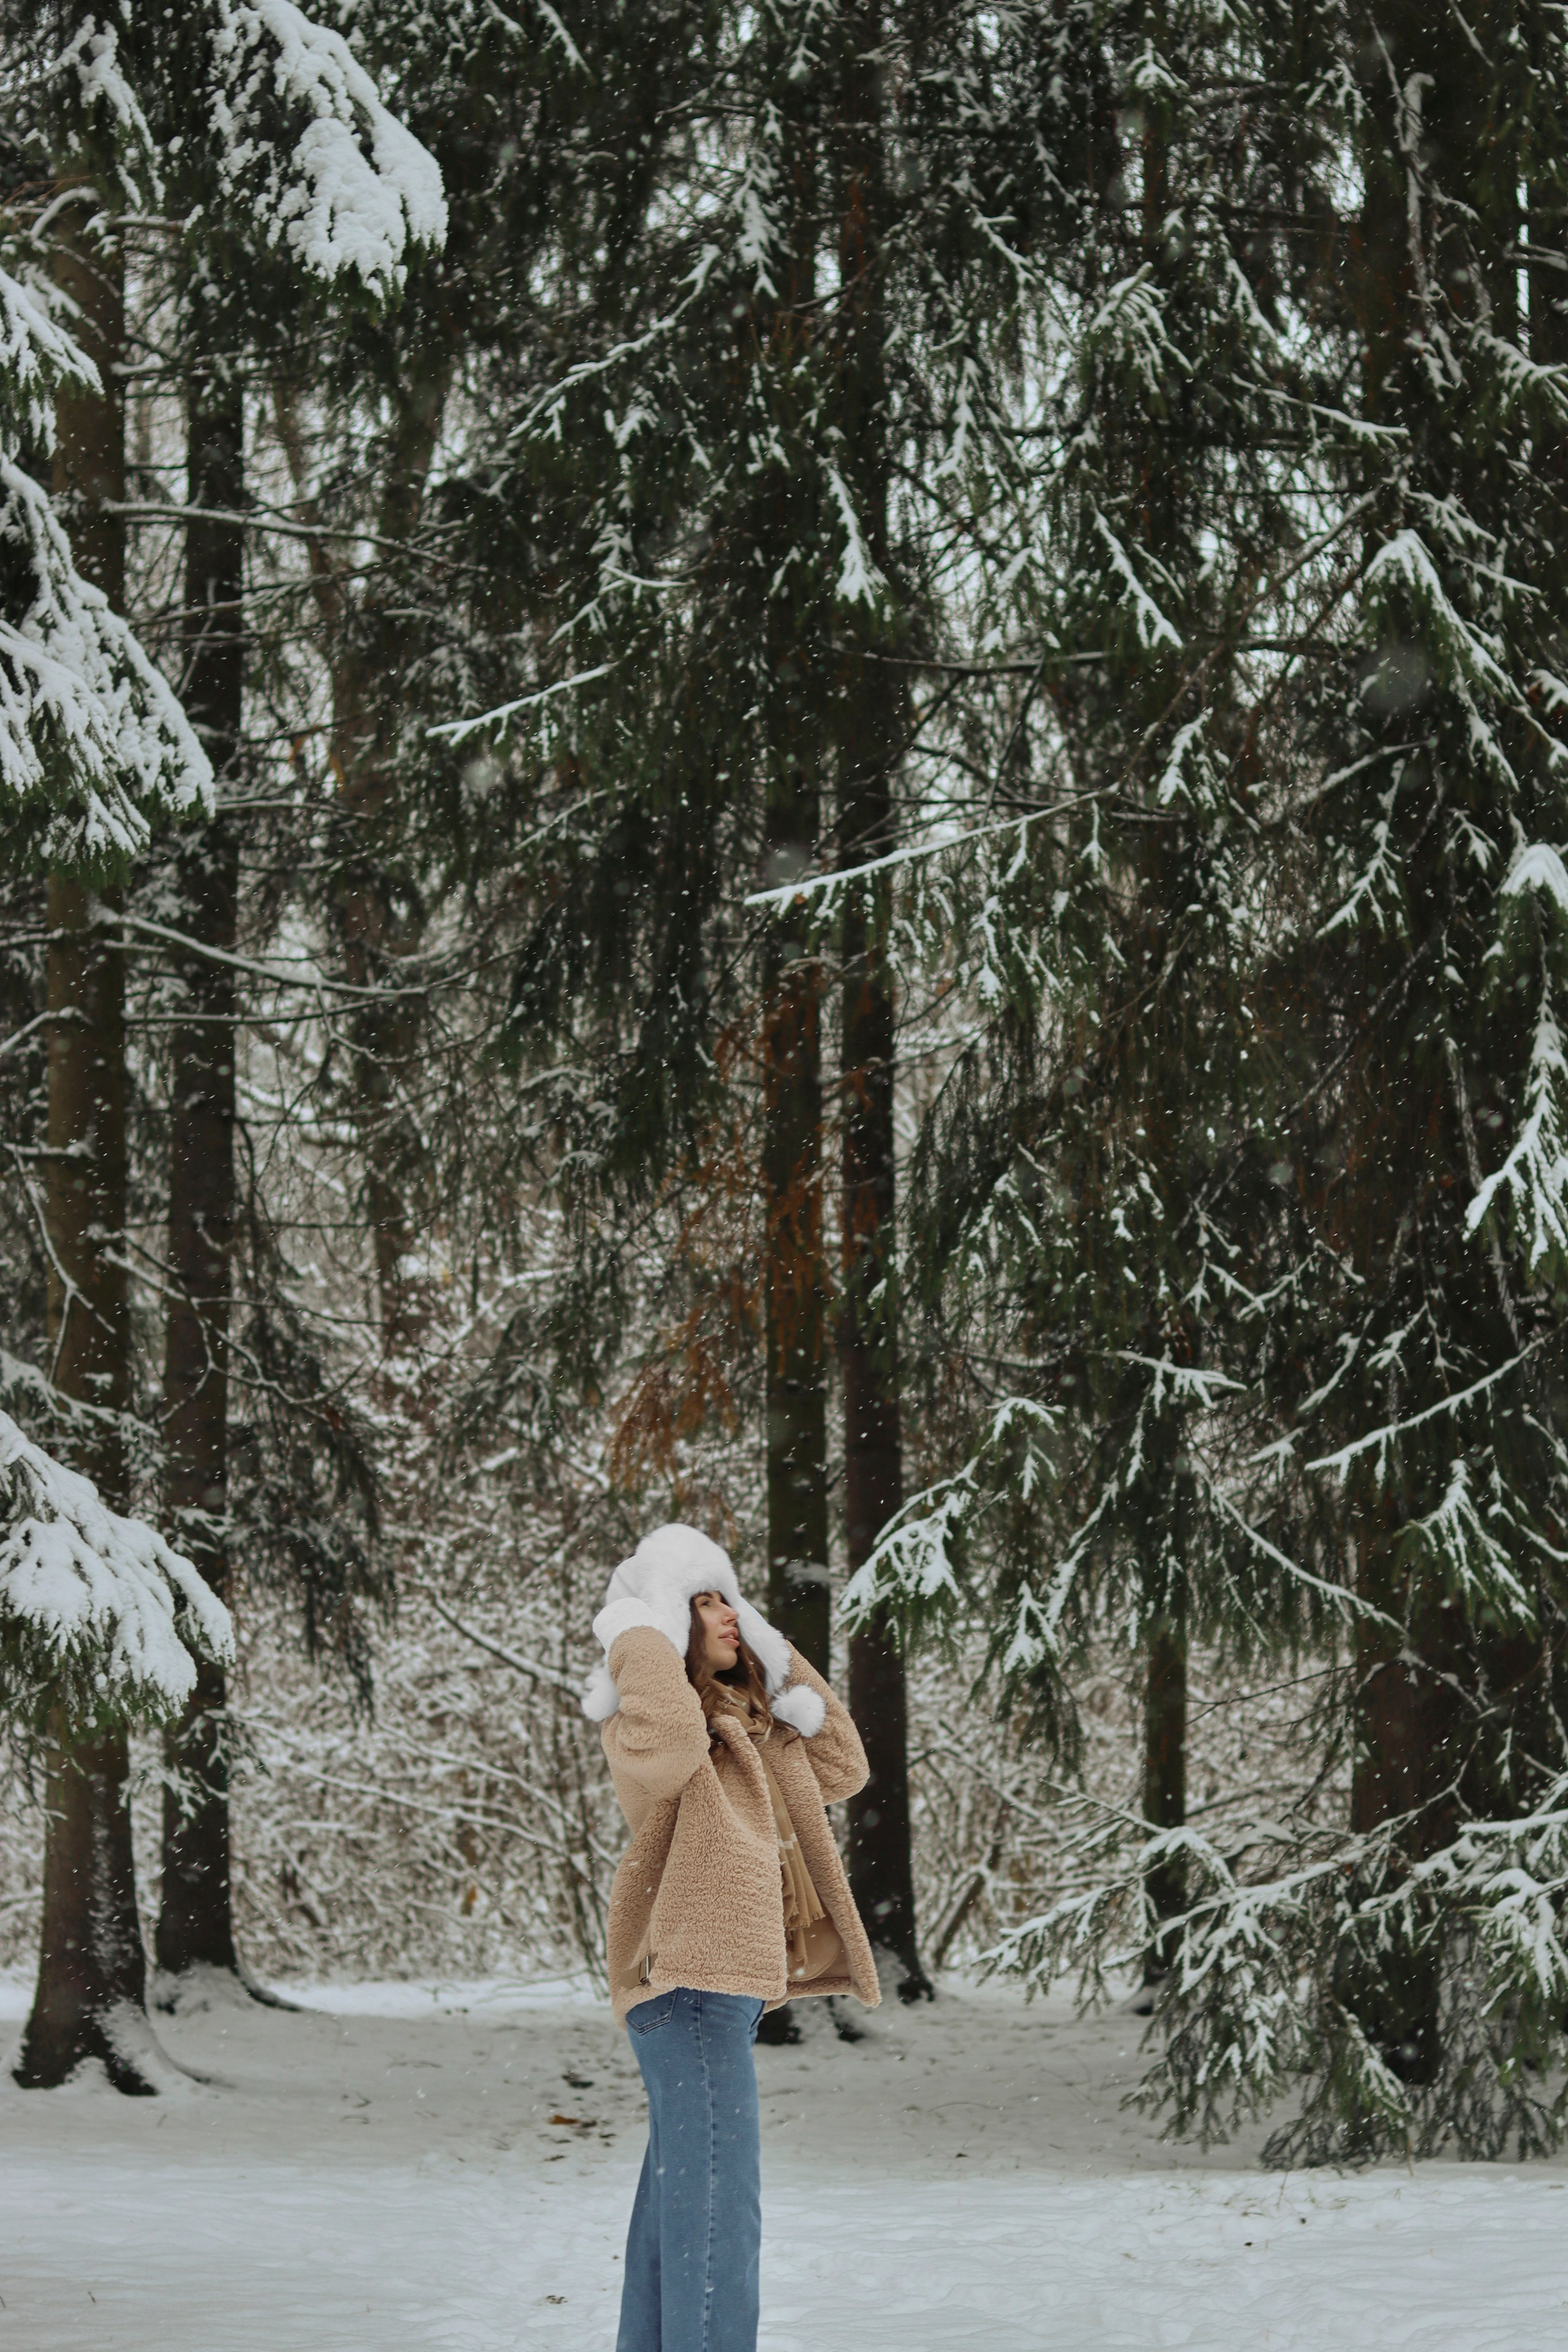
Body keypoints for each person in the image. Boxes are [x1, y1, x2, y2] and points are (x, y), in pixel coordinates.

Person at [583, 1521, 881, 2352]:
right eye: (702, 1602)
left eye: (728, 1600)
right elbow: (674, 1735)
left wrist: (767, 1644)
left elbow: (846, 1764)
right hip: (688, 1992)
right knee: (720, 2214)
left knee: (679, 2211)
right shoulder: (652, 1730)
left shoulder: (759, 1729)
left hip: (720, 1999)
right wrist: (638, 1626)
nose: (723, 1614)